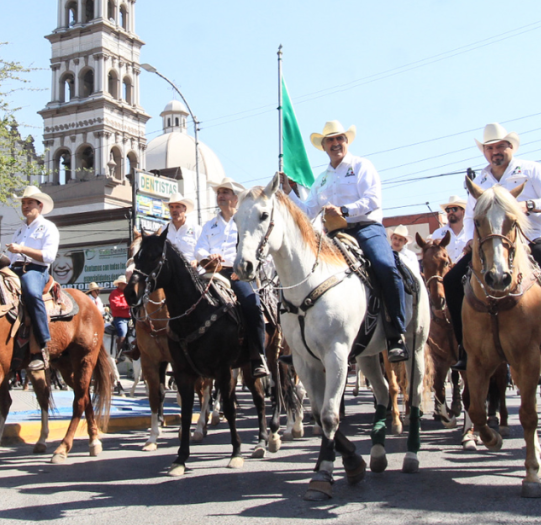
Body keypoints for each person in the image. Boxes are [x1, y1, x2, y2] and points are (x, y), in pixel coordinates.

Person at [445, 123, 541, 373]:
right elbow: (470, 217)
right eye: (490, 148)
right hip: (490, 243)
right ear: (484, 152)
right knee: (451, 280)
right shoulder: (480, 180)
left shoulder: (531, 170)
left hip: (532, 239)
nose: (495, 152)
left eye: (500, 146)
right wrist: (469, 240)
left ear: (511, 147)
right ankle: (465, 347)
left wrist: (528, 206)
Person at [282, 120, 409, 362]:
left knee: (385, 266)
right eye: (330, 140)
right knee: (308, 271)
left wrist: (344, 210)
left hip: (366, 228)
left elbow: (373, 199)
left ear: (346, 141)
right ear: (323, 146)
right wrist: (289, 192)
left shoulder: (362, 166)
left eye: (339, 138)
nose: (335, 143)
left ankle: (396, 333)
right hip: (333, 235)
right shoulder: (321, 180)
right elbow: (307, 212)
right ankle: (304, 344)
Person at [195, 179, 270, 378]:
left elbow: (255, 247)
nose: (221, 196)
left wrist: (239, 266)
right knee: (187, 300)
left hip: (239, 272)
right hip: (212, 272)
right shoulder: (209, 225)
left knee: (252, 305)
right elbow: (199, 249)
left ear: (236, 199)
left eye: (225, 192)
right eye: (219, 192)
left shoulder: (245, 220)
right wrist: (208, 257)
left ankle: (258, 356)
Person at [6, 186, 60, 371]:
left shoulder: (49, 227)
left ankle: (42, 344)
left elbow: (48, 256)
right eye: (23, 203)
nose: (26, 206)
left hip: (36, 270)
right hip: (14, 269)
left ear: (40, 206)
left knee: (31, 292)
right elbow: (12, 258)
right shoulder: (20, 230)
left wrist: (22, 249)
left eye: (30, 203)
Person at [164, 192, 200, 262]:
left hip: (191, 268)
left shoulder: (197, 229)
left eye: (177, 207)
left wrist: (197, 261)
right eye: (171, 207)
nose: (174, 210)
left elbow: (204, 250)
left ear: (185, 209)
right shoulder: (164, 230)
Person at [430, 196, 469, 261]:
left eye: (454, 209)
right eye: (448, 210)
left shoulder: (471, 232)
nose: (450, 212)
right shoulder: (437, 233)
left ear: (463, 211)